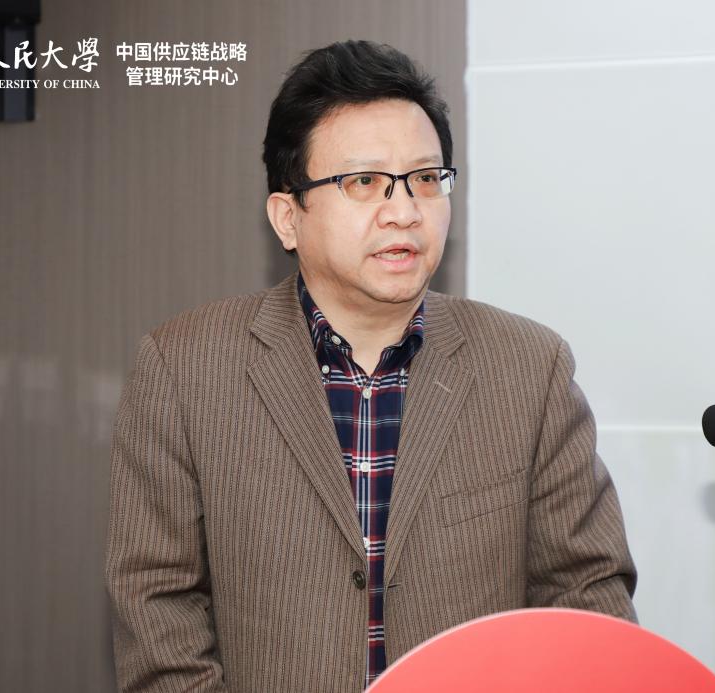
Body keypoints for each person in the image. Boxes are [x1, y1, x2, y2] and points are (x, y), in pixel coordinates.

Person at [104, 39, 637, 693]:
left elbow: (586, 599)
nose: (404, 211)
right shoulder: (184, 369)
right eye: (363, 182)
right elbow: (158, 610)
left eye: (426, 179)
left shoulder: (530, 368)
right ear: (287, 217)